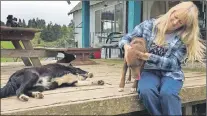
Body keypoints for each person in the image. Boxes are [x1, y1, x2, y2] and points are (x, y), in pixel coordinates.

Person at [118, 1, 205, 115]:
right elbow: (126, 38)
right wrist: (126, 46)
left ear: (185, 25)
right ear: (172, 11)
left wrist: (150, 57)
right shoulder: (148, 25)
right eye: (175, 17)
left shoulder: (184, 38)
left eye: (180, 22)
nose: (175, 22)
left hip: (171, 74)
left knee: (168, 94)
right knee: (146, 91)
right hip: (149, 71)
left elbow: (173, 64)